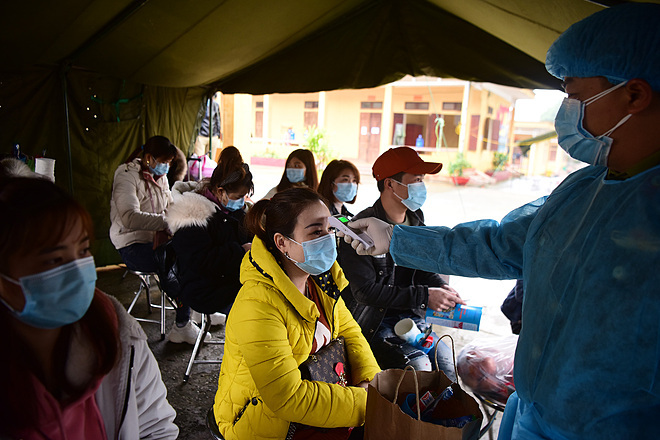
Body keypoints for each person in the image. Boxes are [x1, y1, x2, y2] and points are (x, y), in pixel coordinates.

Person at [339, 4, 660, 439]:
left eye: (575, 96)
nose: (566, 111)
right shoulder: (582, 190)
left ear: (635, 95)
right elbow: (495, 244)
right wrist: (397, 241)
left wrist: (430, 281)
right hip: (533, 408)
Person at [0, 177, 178, 439]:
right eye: (54, 259)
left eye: (83, 250)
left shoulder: (119, 335)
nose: (76, 270)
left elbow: (156, 427)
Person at [213, 187, 380, 440]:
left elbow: (349, 331)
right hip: (264, 424)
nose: (328, 239)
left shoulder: (319, 282)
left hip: (322, 404)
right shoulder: (257, 304)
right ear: (282, 243)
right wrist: (365, 404)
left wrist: (369, 381)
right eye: (316, 231)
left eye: (330, 229)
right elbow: (287, 397)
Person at [337, 147, 464, 374]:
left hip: (411, 317)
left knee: (447, 362)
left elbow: (422, 268)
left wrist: (440, 287)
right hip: (375, 324)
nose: (422, 187)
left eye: (422, 180)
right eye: (416, 180)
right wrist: (425, 296)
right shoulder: (360, 228)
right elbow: (364, 292)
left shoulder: (416, 220)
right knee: (419, 368)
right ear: (390, 184)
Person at [164, 146, 253, 343]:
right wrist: (240, 251)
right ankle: (246, 353)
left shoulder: (231, 210)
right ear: (220, 191)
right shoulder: (191, 214)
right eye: (239, 197)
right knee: (257, 306)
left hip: (227, 279)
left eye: (245, 197)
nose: (242, 202)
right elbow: (199, 261)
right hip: (203, 288)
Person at [110, 135, 176, 273]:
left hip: (156, 240)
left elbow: (170, 206)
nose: (166, 166)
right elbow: (129, 217)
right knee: (173, 261)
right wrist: (167, 222)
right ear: (148, 158)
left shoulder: (161, 178)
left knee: (189, 251)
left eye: (169, 163)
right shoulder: (126, 175)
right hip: (132, 244)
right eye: (164, 162)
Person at [193, 93, 222, 158]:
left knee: (210, 160)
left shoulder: (215, 105)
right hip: (201, 135)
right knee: (199, 159)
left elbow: (218, 120)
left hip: (212, 136)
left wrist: (217, 134)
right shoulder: (199, 104)